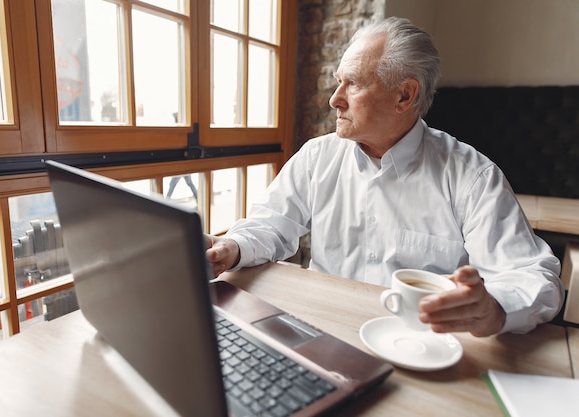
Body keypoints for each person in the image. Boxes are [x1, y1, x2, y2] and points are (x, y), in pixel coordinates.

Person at [204, 17, 564, 337]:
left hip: (420, 343)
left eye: (354, 84)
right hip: (321, 330)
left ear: (405, 95)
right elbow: (270, 225)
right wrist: (233, 248)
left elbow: (534, 277)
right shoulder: (317, 157)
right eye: (337, 82)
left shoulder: (472, 177)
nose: (334, 100)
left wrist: (494, 309)